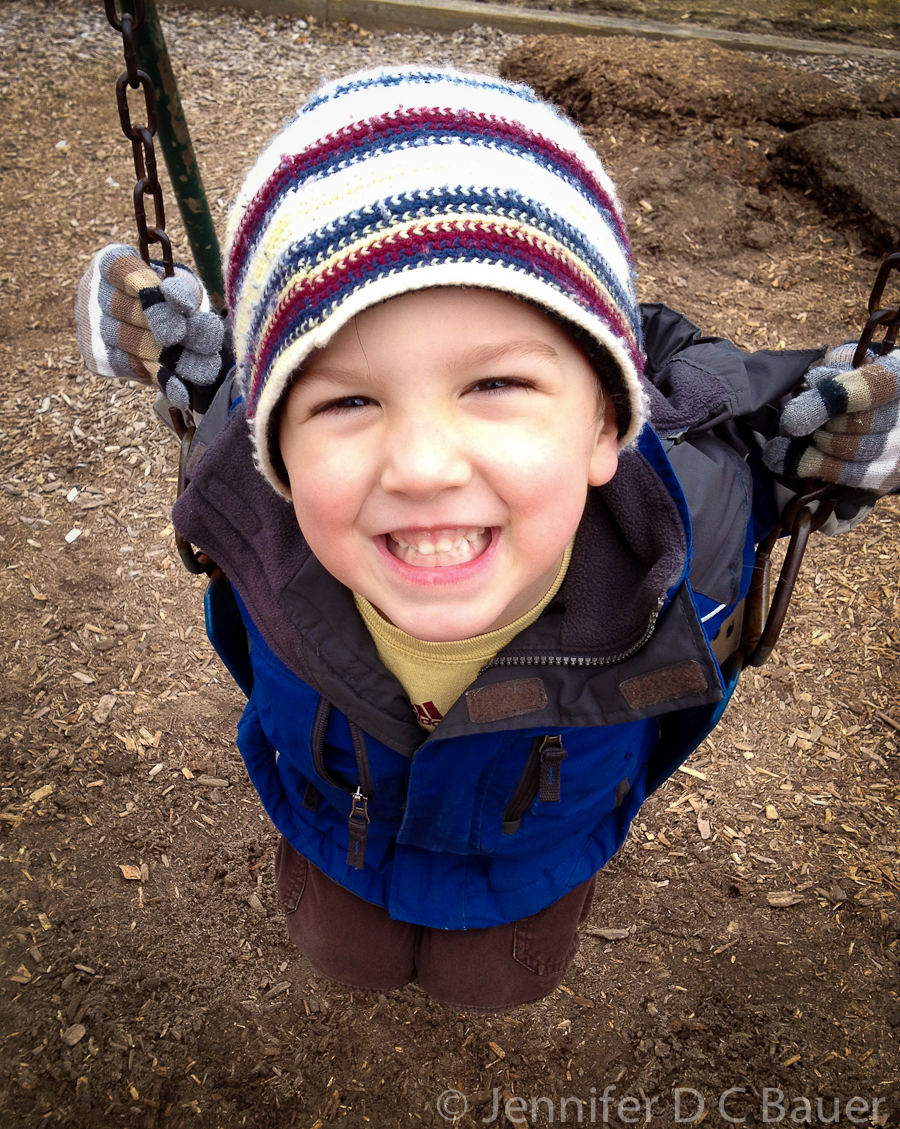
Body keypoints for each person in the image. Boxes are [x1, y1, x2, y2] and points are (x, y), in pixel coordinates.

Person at [76, 66, 900, 1012]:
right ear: (276, 449)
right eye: (346, 398)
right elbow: (218, 394)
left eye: (495, 386)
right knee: (346, 953)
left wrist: (819, 462)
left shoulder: (690, 522)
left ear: (605, 428)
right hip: (331, 821)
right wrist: (177, 354)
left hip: (537, 852)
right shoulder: (249, 492)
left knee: (494, 982)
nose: (423, 466)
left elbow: (764, 443)